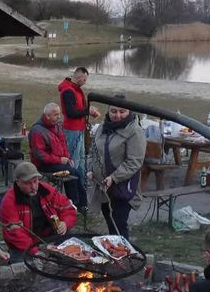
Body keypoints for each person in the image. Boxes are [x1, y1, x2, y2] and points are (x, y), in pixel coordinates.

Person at [86, 101, 146, 240]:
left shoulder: (135, 131)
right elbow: (93, 152)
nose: (117, 115)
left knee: (118, 224)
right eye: (113, 111)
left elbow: (134, 161)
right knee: (110, 222)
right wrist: (91, 169)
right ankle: (113, 249)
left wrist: (114, 177)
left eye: (122, 111)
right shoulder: (102, 128)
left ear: (129, 112)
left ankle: (123, 250)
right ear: (108, 111)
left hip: (123, 187)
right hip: (103, 187)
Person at [0, 161, 76, 259]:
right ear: (18, 182)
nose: (33, 187)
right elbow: (16, 234)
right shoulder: (9, 201)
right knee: (29, 264)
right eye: (28, 183)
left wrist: (65, 223)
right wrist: (36, 251)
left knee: (70, 238)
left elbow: (67, 208)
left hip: (48, 237)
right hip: (23, 245)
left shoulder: (46, 190)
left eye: (35, 181)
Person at [28, 102, 87, 208]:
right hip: (43, 165)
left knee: (76, 173)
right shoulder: (37, 131)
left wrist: (67, 158)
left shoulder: (57, 125)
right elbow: (40, 155)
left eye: (59, 114)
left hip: (57, 161)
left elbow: (63, 143)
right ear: (47, 116)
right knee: (71, 173)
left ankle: (82, 204)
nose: (59, 117)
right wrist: (59, 160)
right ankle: (75, 204)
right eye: (56, 114)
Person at [56, 67, 101, 173]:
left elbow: (79, 109)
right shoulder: (68, 91)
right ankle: (72, 179)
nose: (85, 82)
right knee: (73, 158)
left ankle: (80, 180)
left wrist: (89, 111)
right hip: (72, 130)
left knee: (81, 158)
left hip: (79, 129)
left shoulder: (75, 90)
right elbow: (71, 113)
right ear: (79, 77)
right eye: (84, 79)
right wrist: (87, 111)